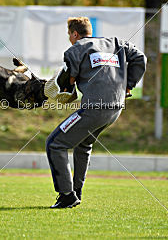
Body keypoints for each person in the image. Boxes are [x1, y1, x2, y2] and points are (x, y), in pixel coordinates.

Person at [46, 17, 147, 208]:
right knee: (83, 144)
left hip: (94, 109)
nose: (70, 39)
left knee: (54, 143)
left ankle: (67, 195)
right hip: (116, 108)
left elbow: (69, 83)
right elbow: (141, 58)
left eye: (70, 35)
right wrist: (128, 86)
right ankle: (76, 192)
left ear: (75, 34)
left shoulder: (74, 49)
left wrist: (58, 87)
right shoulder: (117, 43)